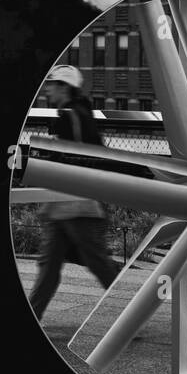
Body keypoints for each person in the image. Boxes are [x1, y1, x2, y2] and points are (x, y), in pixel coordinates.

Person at [28, 65, 121, 321]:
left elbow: (73, 159)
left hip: (76, 202)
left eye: (53, 84)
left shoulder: (70, 116)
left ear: (64, 87)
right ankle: (32, 315)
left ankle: (129, 315)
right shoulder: (77, 113)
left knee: (96, 263)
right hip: (68, 202)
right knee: (50, 265)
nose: (48, 89)